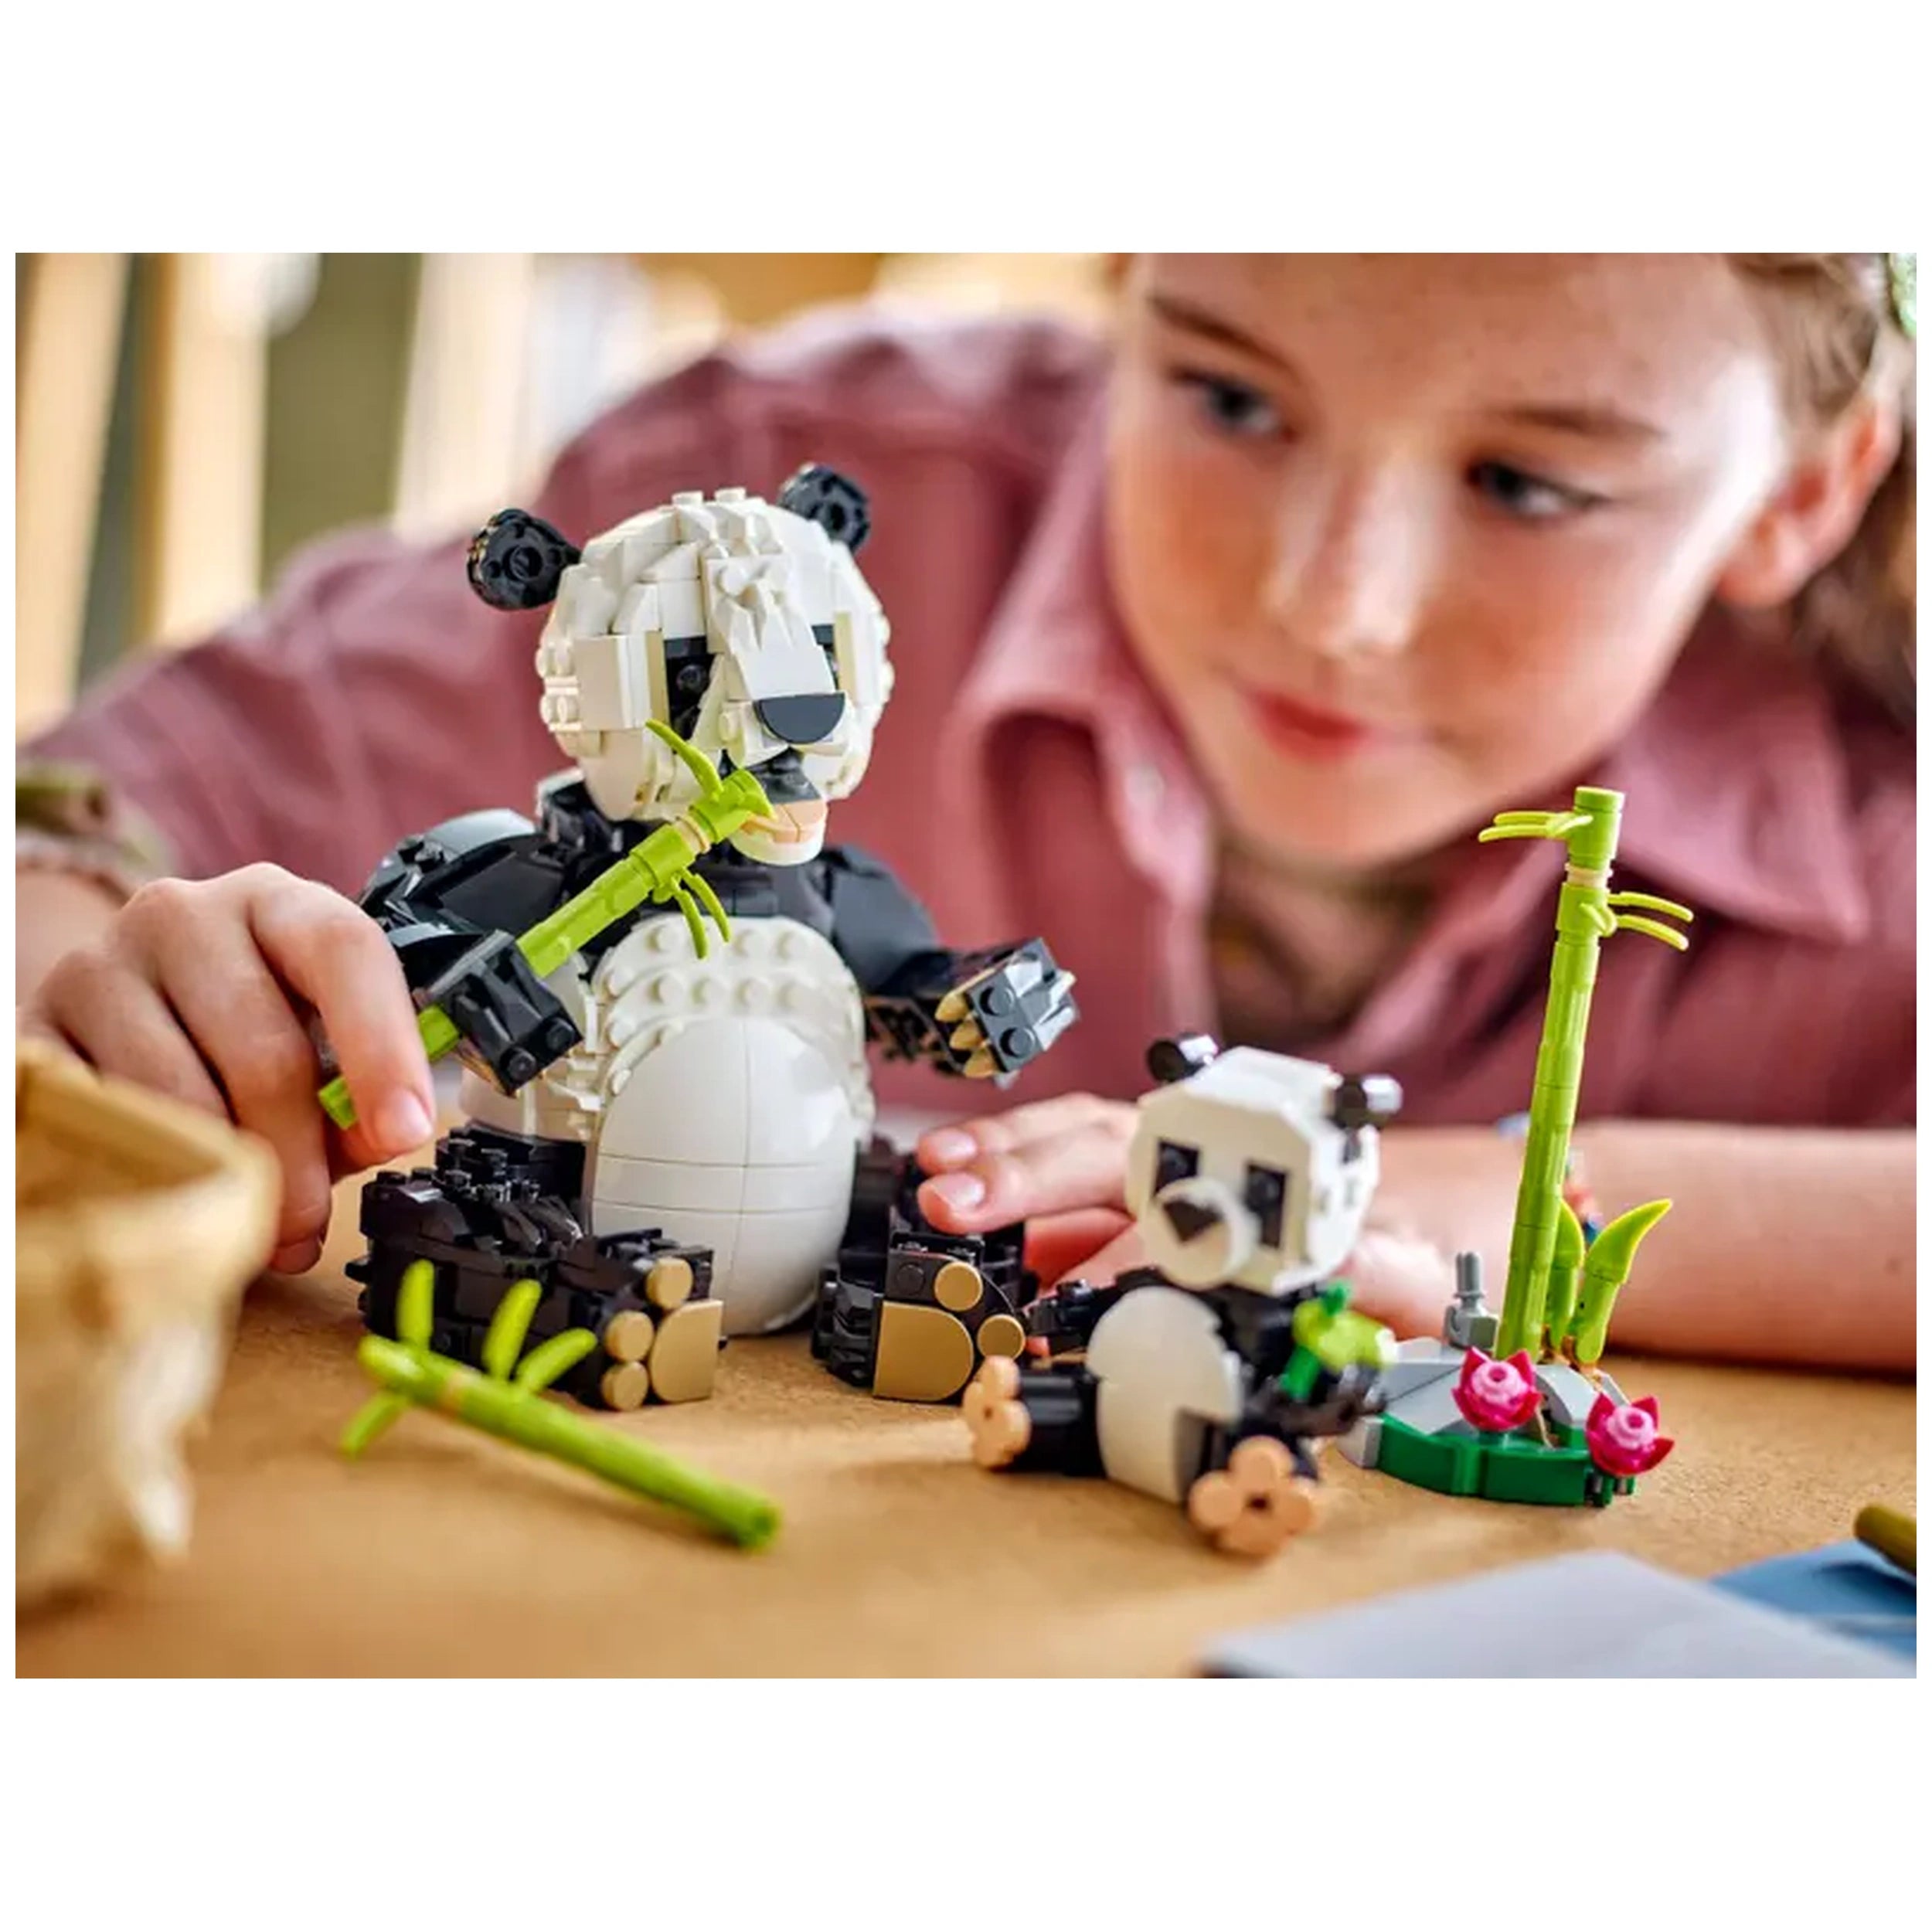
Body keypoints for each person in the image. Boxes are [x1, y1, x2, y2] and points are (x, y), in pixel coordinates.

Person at [19, 254, 1915, 1371]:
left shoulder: (1884, 798)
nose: (1333, 600)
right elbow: (72, 823)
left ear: (1804, 489)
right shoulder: (730, 530)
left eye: (1526, 480)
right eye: (1229, 399)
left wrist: (1386, 1193)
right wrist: (108, 963)